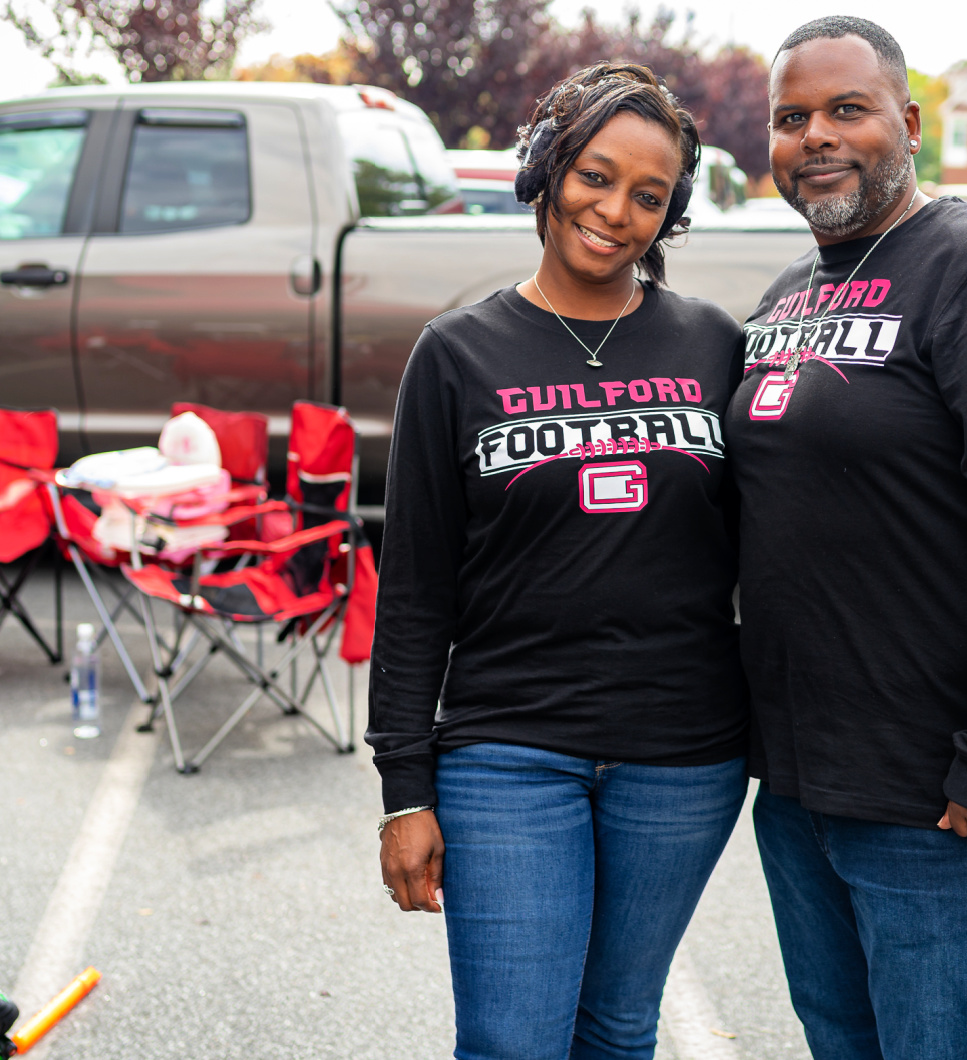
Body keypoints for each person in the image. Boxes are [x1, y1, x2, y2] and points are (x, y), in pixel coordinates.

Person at [729, 17, 967, 1060]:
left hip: (942, 801)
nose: (816, 137)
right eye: (791, 117)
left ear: (908, 121)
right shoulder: (786, 299)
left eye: (846, 110)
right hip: (803, 791)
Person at [369, 63, 749, 1059]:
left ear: (670, 218)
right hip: (508, 750)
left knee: (617, 1030)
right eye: (595, 174)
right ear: (546, 170)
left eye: (649, 196)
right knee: (511, 1040)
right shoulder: (456, 354)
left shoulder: (715, 344)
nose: (615, 211)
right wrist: (405, 788)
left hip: (685, 756)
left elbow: (786, 545)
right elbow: (412, 590)